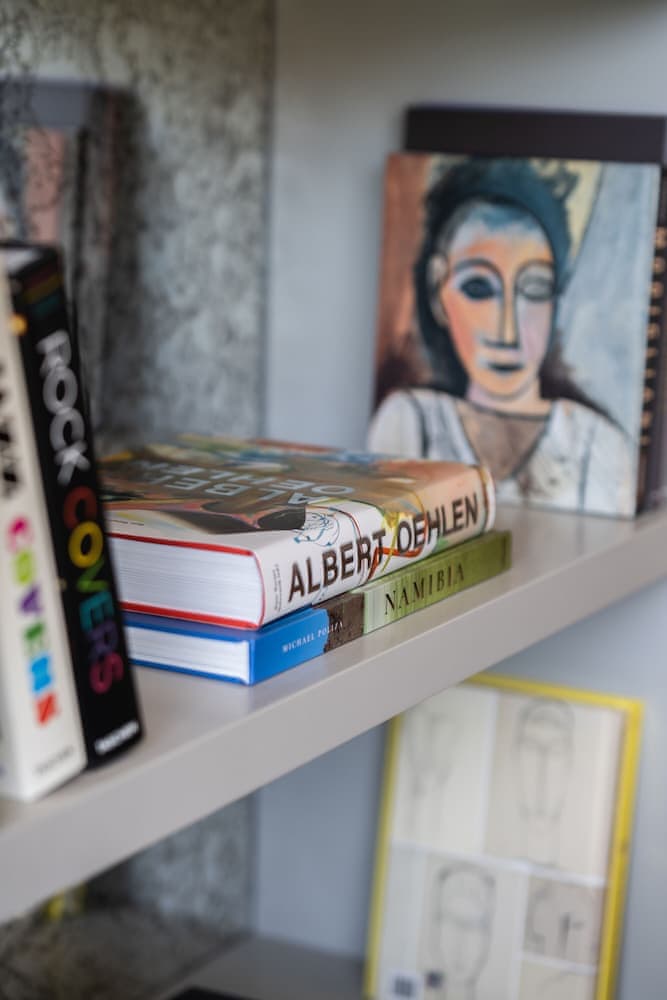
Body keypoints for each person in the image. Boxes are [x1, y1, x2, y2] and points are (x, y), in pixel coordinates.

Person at [368, 158, 635, 516]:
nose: (508, 333)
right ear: (437, 292)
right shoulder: (408, 422)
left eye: (535, 288)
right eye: (478, 288)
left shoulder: (598, 447)